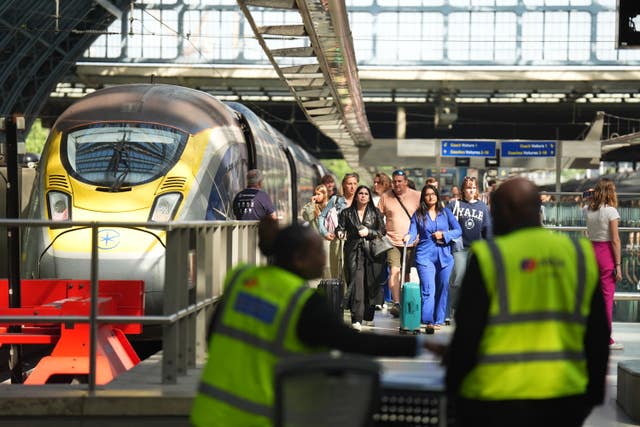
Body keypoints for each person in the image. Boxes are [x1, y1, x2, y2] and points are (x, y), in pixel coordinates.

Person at [191, 217, 437, 427]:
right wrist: (419, 346)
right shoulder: (302, 303)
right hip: (256, 419)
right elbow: (353, 342)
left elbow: (213, 335)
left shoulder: (242, 279)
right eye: (318, 251)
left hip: (207, 413)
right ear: (298, 258)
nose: (323, 258)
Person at [438, 177, 609, 427]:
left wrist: (453, 387)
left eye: (494, 211)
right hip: (563, 397)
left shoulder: (489, 257)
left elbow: (468, 335)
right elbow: (598, 332)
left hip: (496, 398)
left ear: (506, 211)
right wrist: (593, 394)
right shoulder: (579, 253)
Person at [404, 184, 461, 332]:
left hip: (445, 256)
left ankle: (439, 319)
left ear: (437, 196)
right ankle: (428, 320)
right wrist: (407, 237)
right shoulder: (418, 215)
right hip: (425, 256)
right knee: (428, 289)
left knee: (443, 288)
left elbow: (458, 230)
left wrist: (444, 235)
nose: (431, 197)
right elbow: (412, 232)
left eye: (433, 194)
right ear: (423, 197)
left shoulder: (446, 212)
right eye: (427, 194)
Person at [337, 185, 387, 331]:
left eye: (366, 193)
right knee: (356, 284)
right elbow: (340, 227)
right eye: (360, 193)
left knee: (370, 284)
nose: (363, 196)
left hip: (372, 253)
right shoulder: (346, 213)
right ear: (356, 196)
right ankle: (356, 318)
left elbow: (382, 231)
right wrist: (339, 232)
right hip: (354, 252)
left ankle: (368, 315)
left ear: (369, 197)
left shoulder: (375, 212)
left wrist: (369, 232)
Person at [583, 178, 624, 350]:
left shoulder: (587, 210)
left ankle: (589, 334)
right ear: (611, 192)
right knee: (607, 298)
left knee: (592, 297)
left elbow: (586, 200)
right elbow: (615, 240)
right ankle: (606, 339)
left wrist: (590, 196)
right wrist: (619, 265)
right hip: (606, 254)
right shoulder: (611, 212)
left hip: (591, 252)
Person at [447, 176, 492, 322]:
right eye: (468, 188)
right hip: (460, 248)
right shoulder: (454, 205)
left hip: (477, 248)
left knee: (474, 282)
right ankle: (450, 310)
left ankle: (468, 311)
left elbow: (487, 229)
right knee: (457, 280)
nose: (471, 190)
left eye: (473, 188)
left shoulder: (482, 207)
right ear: (463, 190)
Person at [377, 169, 421, 317]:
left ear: (406, 182)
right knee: (394, 270)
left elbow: (424, 216)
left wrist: (419, 235)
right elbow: (378, 217)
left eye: (399, 181)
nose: (396, 184)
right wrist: (381, 233)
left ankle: (405, 299)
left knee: (407, 273)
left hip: (411, 242)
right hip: (392, 241)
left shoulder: (417, 196)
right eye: (394, 181)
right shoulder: (385, 197)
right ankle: (396, 303)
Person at [318, 173, 359, 278]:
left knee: (353, 275)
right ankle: (339, 294)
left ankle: (351, 294)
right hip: (337, 241)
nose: (352, 186)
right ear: (344, 185)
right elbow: (321, 217)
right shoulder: (336, 200)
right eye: (349, 183)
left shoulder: (361, 200)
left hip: (356, 242)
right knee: (337, 276)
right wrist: (325, 232)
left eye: (355, 183)